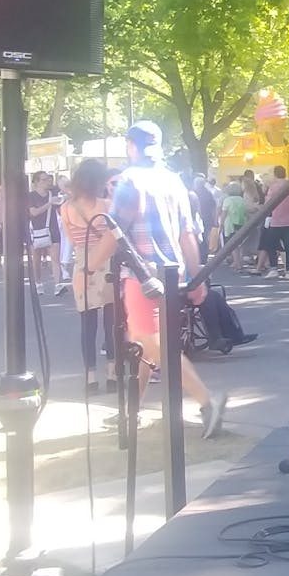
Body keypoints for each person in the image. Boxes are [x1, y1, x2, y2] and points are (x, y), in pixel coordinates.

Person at [94, 121, 227, 438]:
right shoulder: (174, 181)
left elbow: (115, 231)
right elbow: (187, 235)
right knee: (145, 342)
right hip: (173, 274)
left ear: (131, 146)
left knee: (153, 342)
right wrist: (197, 278)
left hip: (143, 276)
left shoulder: (130, 180)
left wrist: (89, 263)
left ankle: (209, 402)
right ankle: (131, 411)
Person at [62, 159, 118, 393]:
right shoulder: (106, 205)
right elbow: (115, 236)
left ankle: (90, 378)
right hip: (106, 264)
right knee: (111, 323)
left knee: (88, 324)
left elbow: (73, 240)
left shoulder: (66, 208)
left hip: (82, 266)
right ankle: (113, 374)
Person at [258, 165, 289, 279]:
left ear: (275, 174)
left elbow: (268, 203)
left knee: (271, 244)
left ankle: (274, 268)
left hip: (276, 220)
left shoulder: (273, 187)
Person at [27, 171, 61, 294]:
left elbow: (62, 205)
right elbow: (34, 212)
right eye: (44, 179)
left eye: (48, 179)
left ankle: (58, 285)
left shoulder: (53, 193)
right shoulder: (31, 196)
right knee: (36, 259)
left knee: (55, 258)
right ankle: (38, 282)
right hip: (36, 229)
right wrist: (49, 204)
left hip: (53, 229)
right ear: (36, 182)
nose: (48, 181)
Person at [219, 181, 249, 272]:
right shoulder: (242, 199)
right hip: (241, 223)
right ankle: (239, 262)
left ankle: (237, 263)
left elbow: (224, 213)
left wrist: (221, 225)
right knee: (240, 244)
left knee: (232, 245)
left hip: (230, 224)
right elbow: (246, 212)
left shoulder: (227, 200)